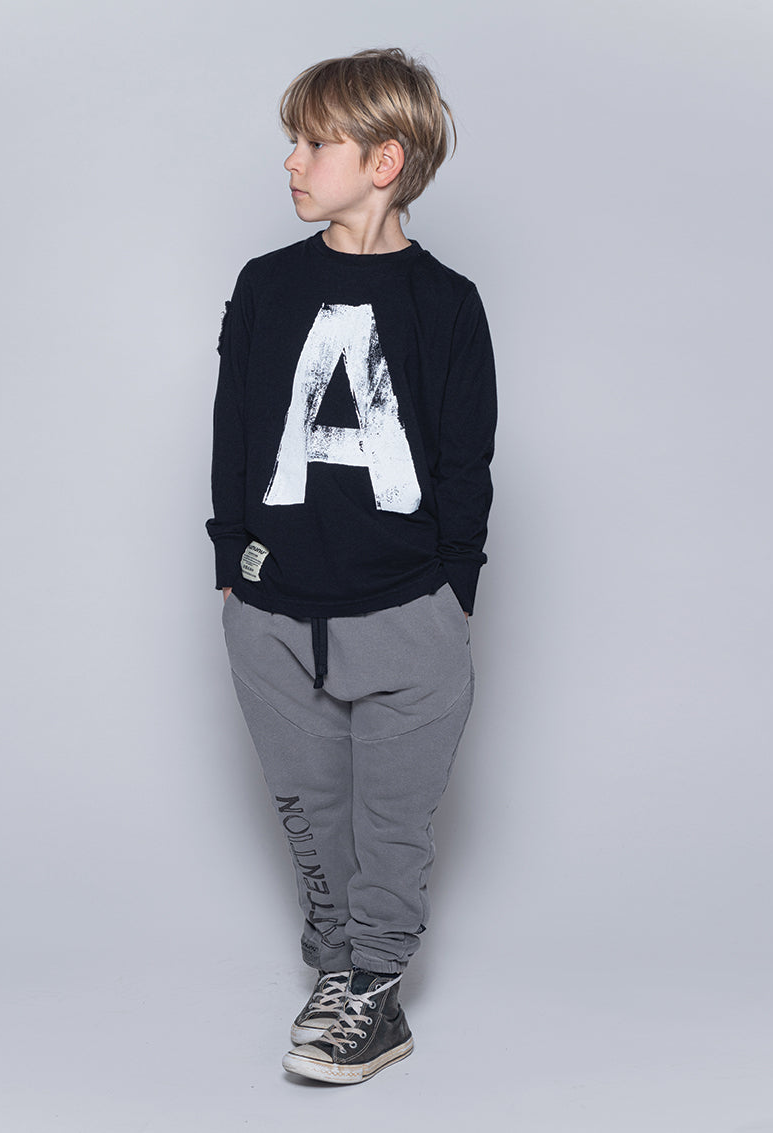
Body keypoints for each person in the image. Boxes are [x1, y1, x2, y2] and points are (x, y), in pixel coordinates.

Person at [207, 47, 496, 1084]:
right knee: (310, 810)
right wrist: (231, 567)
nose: (290, 160)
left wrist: (453, 593)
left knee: (392, 821)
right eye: (291, 140)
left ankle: (373, 985)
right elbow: (236, 429)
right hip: (273, 616)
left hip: (407, 612)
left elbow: (464, 463)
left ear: (384, 160)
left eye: (314, 142)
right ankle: (339, 973)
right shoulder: (266, 285)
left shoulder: (447, 303)